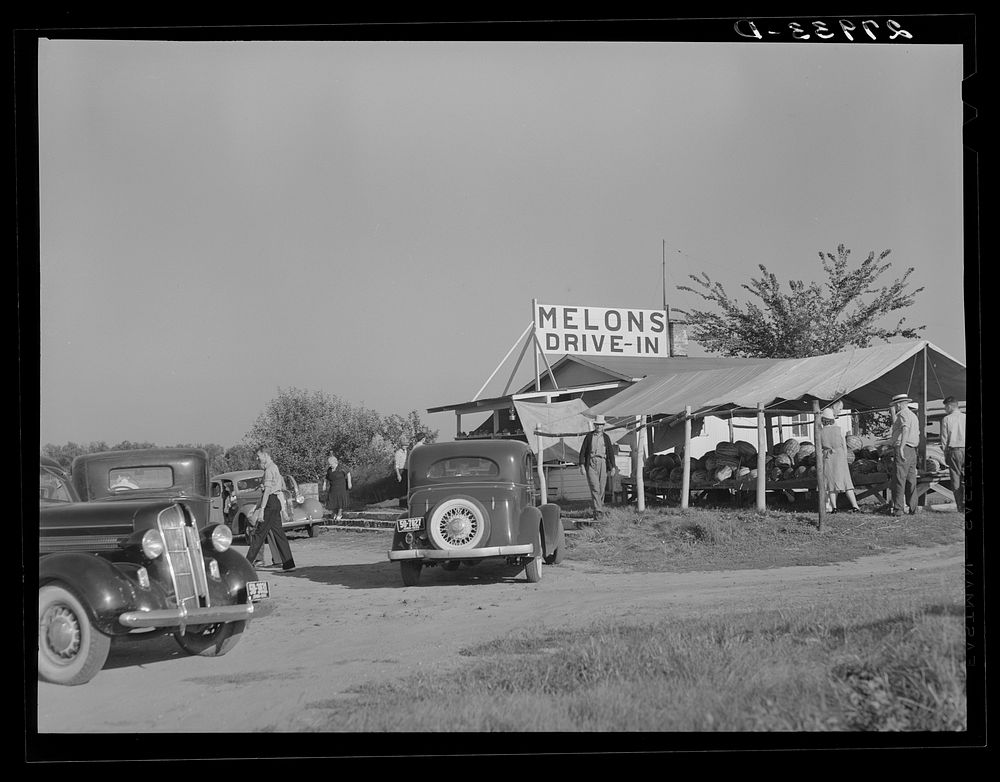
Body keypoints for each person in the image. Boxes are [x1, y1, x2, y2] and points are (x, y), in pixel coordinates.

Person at [245, 445, 296, 572]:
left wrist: (261, 509)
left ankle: (246, 564)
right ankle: (289, 564)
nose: (257, 458)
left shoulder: (268, 470)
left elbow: (267, 491)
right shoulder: (274, 467)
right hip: (275, 502)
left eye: (259, 455)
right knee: (279, 534)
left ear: (265, 455)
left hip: (269, 502)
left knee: (259, 534)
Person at [818, 408, 861, 513]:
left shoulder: (820, 432)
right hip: (840, 456)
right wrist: (845, 458)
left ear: (823, 419)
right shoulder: (840, 429)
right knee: (846, 482)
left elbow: (819, 448)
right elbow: (844, 446)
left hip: (827, 457)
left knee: (831, 484)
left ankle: (834, 507)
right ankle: (855, 506)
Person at [887, 393, 920, 516]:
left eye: (896, 405)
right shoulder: (912, 415)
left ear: (900, 404)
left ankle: (898, 509)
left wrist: (901, 447)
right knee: (911, 480)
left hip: (904, 448)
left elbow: (905, 429)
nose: (896, 407)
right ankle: (913, 508)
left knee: (899, 479)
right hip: (912, 448)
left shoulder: (902, 414)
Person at [579, 415, 615, 518]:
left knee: (602, 488)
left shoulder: (606, 438)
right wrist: (582, 465)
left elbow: (610, 453)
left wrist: (613, 467)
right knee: (595, 487)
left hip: (602, 462)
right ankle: (598, 511)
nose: (599, 426)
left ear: (603, 426)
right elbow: (583, 451)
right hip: (591, 462)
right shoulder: (589, 436)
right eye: (597, 424)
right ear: (595, 425)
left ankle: (599, 509)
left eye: (601, 425)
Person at [940, 395, 966, 511]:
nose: (945, 409)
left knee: (956, 478)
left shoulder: (947, 419)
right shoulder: (965, 417)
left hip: (954, 450)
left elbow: (944, 439)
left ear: (950, 406)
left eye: (946, 407)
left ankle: (960, 506)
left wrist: (945, 454)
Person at [323, 455, 352, 521]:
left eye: (331, 464)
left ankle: (339, 514)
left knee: (340, 501)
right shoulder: (329, 470)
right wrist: (324, 485)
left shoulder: (341, 468)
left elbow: (348, 473)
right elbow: (326, 477)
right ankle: (334, 512)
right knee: (332, 500)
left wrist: (349, 483)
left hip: (341, 487)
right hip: (333, 487)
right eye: (329, 464)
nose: (330, 465)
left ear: (335, 462)